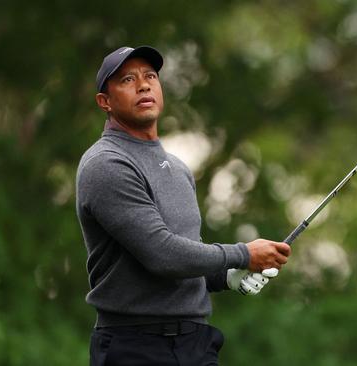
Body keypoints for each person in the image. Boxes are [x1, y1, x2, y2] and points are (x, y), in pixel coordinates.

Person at [75, 45, 291, 365]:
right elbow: (163, 255)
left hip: (196, 343)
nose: (144, 85)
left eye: (150, 76)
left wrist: (228, 275)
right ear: (104, 102)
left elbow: (189, 257)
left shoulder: (177, 169)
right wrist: (243, 253)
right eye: (127, 79)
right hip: (134, 346)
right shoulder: (106, 164)